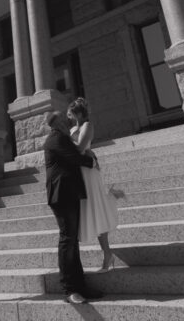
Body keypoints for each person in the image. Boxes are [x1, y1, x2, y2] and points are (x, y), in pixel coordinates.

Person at [44, 110, 103, 304]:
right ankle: (70, 290)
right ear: (56, 123)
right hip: (62, 195)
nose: (67, 121)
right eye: (63, 119)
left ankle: (80, 287)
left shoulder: (62, 137)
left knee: (71, 241)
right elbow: (76, 158)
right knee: (67, 240)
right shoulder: (57, 138)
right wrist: (92, 161)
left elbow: (77, 152)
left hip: (70, 193)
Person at [67, 97, 119, 271]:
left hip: (89, 172)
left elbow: (80, 148)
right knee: (91, 212)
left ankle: (107, 254)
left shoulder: (87, 126)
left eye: (74, 113)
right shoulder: (75, 127)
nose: (72, 116)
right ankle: (107, 254)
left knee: (95, 209)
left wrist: (63, 144)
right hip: (80, 171)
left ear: (80, 113)